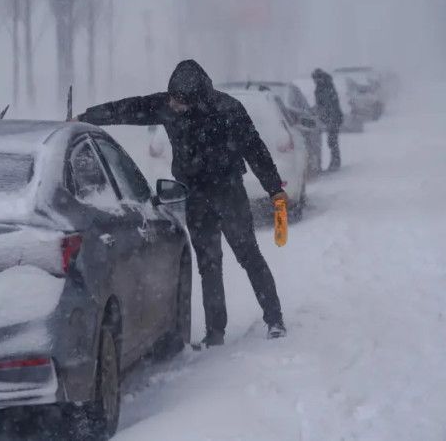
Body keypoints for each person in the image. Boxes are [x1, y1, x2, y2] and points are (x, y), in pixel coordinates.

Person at [73, 59, 287, 346]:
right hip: (196, 195)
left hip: (229, 194)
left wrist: (274, 189)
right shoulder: (167, 105)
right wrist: (86, 117)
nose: (173, 105)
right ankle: (215, 332)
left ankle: (274, 319)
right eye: (171, 98)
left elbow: (255, 150)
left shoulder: (229, 110)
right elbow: (129, 108)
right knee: (208, 265)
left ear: (197, 98)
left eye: (179, 102)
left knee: (249, 257)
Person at [312, 68, 344, 171]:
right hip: (331, 117)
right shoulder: (322, 87)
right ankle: (335, 161)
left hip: (334, 117)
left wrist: (328, 117)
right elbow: (321, 104)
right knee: (332, 140)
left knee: (332, 140)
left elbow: (329, 104)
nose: (315, 81)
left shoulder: (326, 87)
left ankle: (335, 162)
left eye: (316, 78)